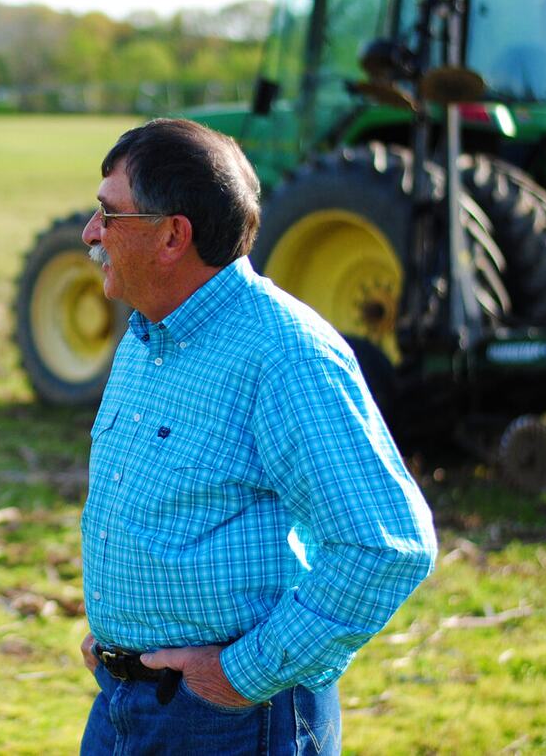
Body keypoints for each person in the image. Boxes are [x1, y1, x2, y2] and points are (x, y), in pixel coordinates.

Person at [76, 118, 437, 754]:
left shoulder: (285, 354)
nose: (90, 234)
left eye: (109, 215)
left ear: (171, 236)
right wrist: (117, 638)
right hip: (125, 704)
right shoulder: (146, 336)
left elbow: (386, 545)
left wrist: (241, 677)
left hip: (232, 723)